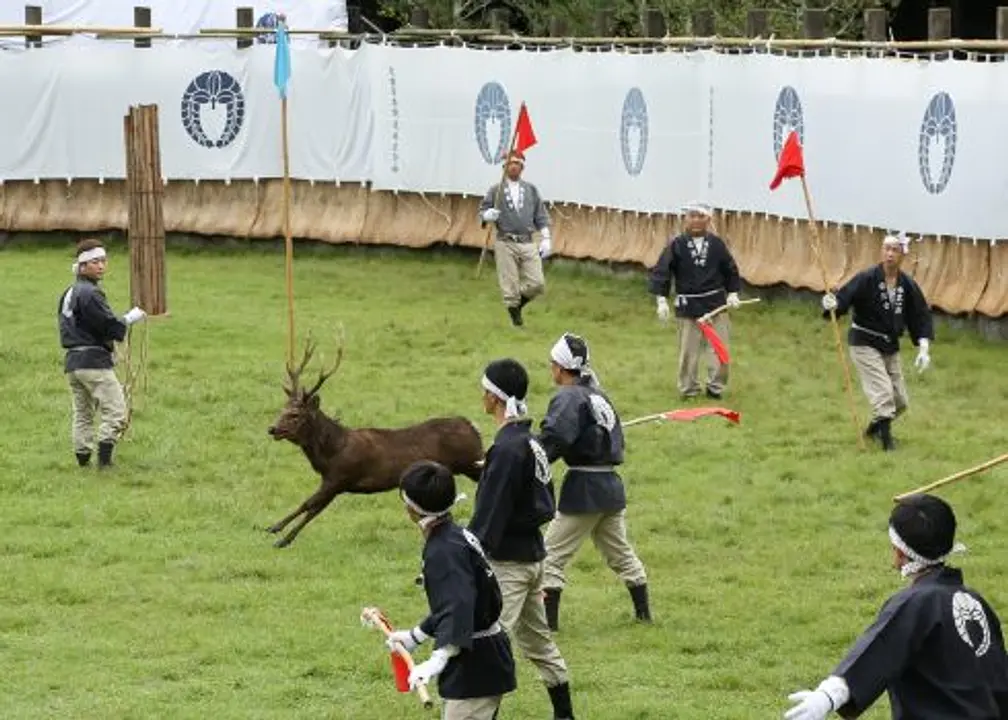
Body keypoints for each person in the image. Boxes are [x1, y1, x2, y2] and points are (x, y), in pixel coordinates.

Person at [783, 493, 1008, 720]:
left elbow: (878, 650)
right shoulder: (978, 603)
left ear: (900, 553)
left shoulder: (916, 603)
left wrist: (827, 697)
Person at [468, 358, 576, 720]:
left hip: (509, 566)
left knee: (490, 644)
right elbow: (542, 502)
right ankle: (565, 715)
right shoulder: (530, 442)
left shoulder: (508, 450)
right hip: (534, 559)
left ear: (495, 398)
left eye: (485, 390)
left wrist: (467, 557)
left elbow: (490, 515)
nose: (482, 396)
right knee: (538, 642)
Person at [537, 332, 651, 632]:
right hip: (611, 488)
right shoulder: (599, 395)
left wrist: (526, 458)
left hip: (585, 490)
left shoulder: (568, 397)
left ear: (560, 368)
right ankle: (644, 616)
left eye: (552, 365)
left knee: (549, 557)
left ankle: (550, 629)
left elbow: (556, 438)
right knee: (621, 553)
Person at [386, 460, 517, 720]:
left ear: (412, 509)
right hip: (483, 657)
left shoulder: (443, 550)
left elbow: (458, 604)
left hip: (476, 666)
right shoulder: (453, 535)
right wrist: (416, 636)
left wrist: (439, 658)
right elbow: (454, 602)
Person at [820, 233, 934, 451]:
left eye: (895, 250)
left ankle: (874, 429)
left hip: (890, 345)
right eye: (886, 249)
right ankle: (887, 444)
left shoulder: (907, 285)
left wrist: (924, 348)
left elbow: (919, 315)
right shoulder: (867, 278)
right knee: (883, 392)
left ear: (903, 255)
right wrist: (830, 304)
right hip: (864, 341)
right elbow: (843, 299)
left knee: (900, 401)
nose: (889, 254)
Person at [57, 238, 147, 469]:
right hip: (93, 362)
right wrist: (129, 318)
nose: (101, 266)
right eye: (95, 261)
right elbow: (108, 325)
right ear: (83, 265)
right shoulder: (90, 293)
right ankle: (105, 463)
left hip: (73, 363)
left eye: (103, 261)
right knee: (117, 411)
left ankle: (82, 458)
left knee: (83, 412)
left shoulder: (69, 292)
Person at [647, 201, 742, 399]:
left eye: (701, 216)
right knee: (688, 352)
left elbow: (730, 269)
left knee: (719, 349)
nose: (696, 220)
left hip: (716, 305)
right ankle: (688, 388)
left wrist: (733, 293)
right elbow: (662, 271)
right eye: (692, 216)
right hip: (688, 306)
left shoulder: (716, 244)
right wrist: (661, 300)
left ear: (708, 219)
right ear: (685, 219)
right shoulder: (677, 245)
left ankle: (716, 387)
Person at [478, 149, 552, 327]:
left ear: (522, 167)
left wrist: (546, 237)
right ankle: (516, 320)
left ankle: (517, 305)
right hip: (505, 241)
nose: (513, 168)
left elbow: (540, 215)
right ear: (504, 167)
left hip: (527, 240)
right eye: (510, 164)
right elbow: (482, 211)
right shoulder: (496, 191)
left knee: (537, 283)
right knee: (509, 284)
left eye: (517, 164)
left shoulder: (531, 190)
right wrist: (487, 215)